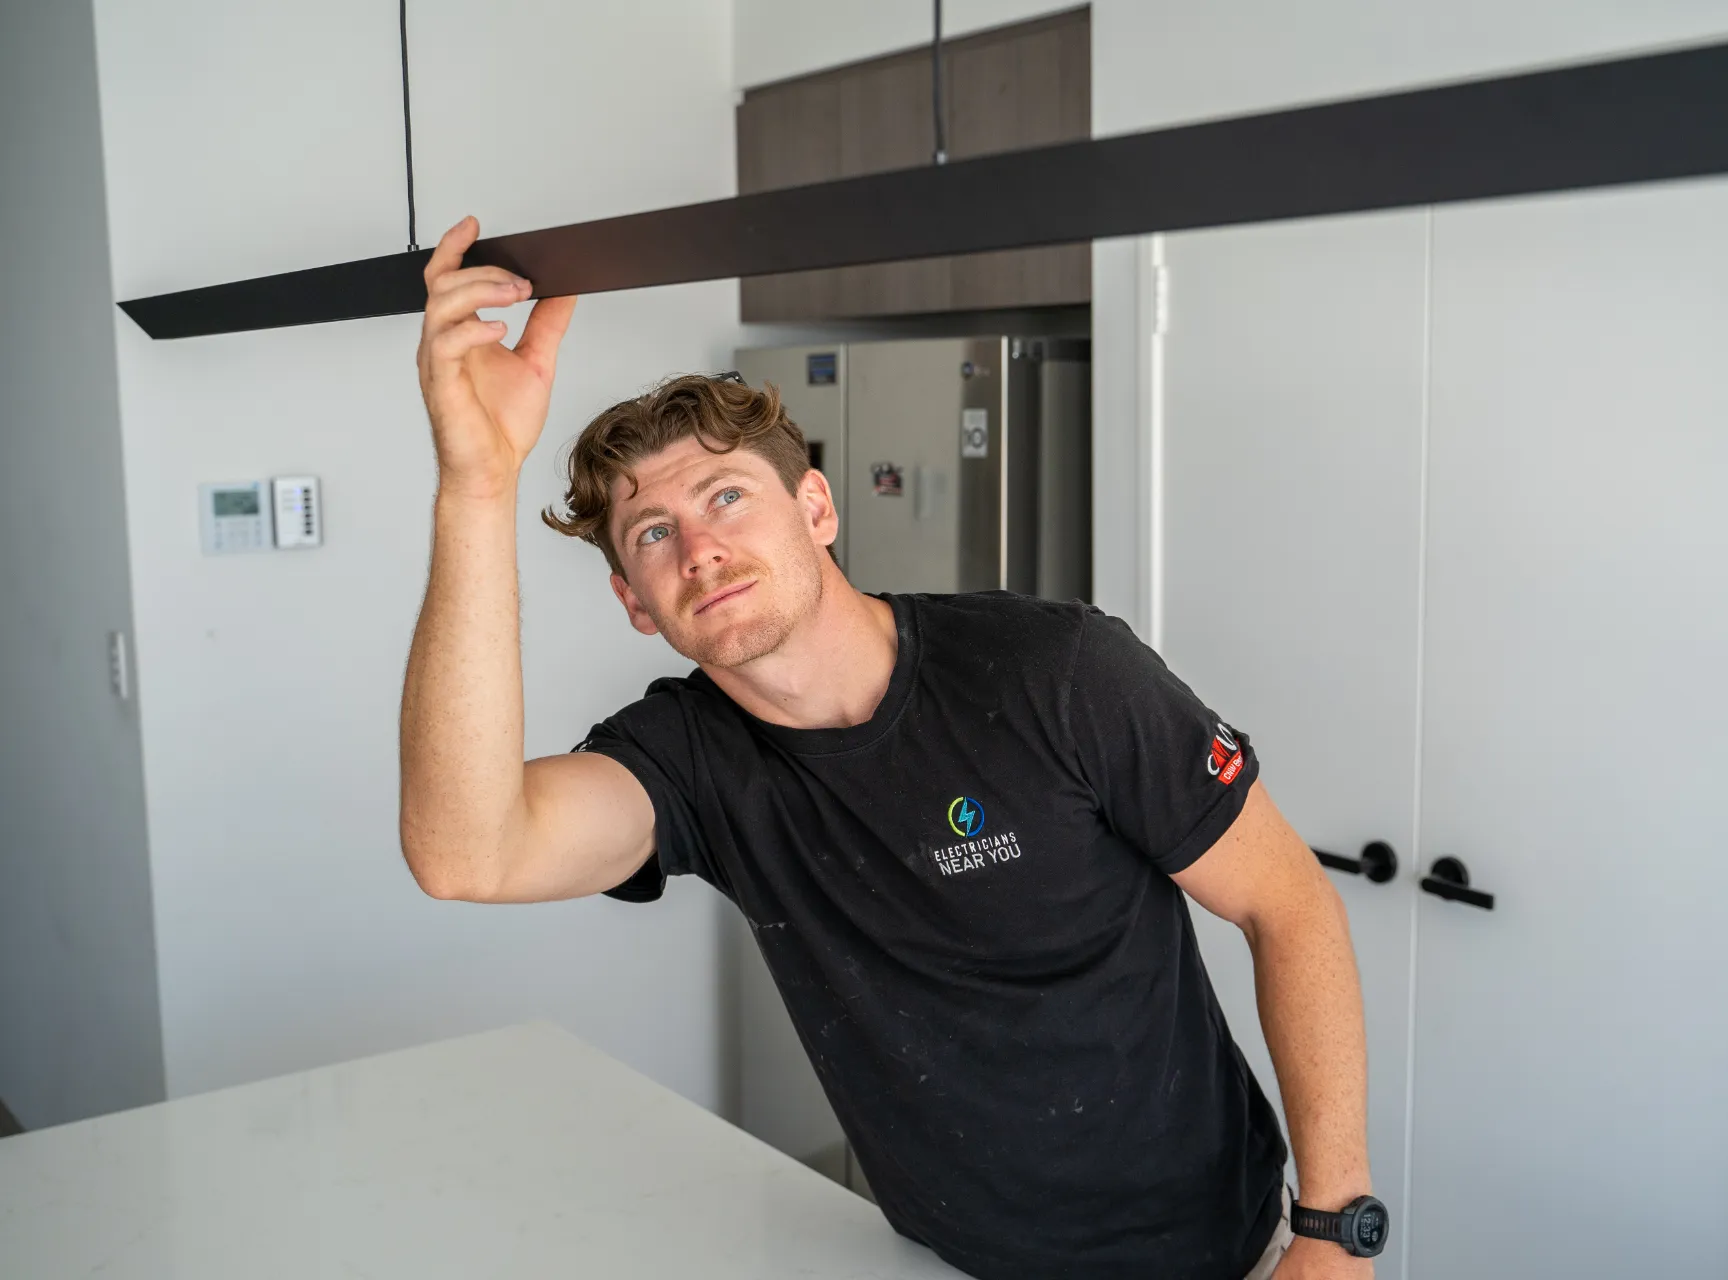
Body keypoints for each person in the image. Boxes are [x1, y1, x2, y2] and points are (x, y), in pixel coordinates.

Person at [399, 216, 1380, 1280]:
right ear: (635, 602)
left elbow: (1289, 904)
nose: (700, 548)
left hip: (1223, 1253)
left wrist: (1334, 1227)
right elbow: (467, 854)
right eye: (653, 533)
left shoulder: (1055, 671)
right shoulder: (690, 757)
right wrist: (476, 484)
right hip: (944, 1257)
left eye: (726, 496)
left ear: (816, 507)